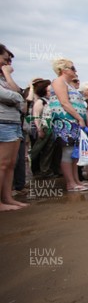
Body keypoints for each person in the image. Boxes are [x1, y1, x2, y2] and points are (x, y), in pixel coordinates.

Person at [48, 58, 88, 192]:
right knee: (67, 151)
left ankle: (76, 180)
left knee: (74, 153)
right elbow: (64, 103)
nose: (75, 71)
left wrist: (85, 120)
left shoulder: (70, 85)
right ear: (63, 70)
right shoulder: (58, 81)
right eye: (72, 68)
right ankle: (70, 183)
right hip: (65, 122)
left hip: (75, 122)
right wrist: (79, 118)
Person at [0, 43, 29, 210]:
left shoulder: (4, 78)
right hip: (2, 122)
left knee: (11, 164)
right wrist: (18, 98)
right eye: (5, 60)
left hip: (13, 122)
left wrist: (6, 74)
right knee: (2, 164)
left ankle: (7, 198)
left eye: (10, 60)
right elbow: (13, 95)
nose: (9, 64)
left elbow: (18, 93)